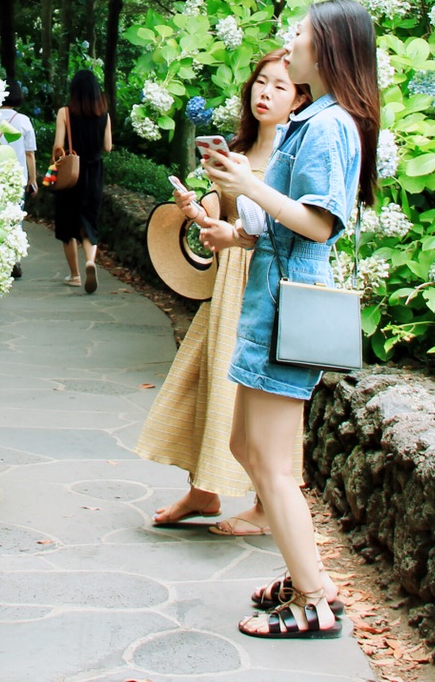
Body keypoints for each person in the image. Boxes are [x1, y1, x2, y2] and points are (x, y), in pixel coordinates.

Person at [178, 0, 378, 640]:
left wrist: (248, 181)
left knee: (270, 465)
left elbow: (319, 224)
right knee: (246, 448)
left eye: (300, 33)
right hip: (270, 303)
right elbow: (278, 230)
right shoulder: (313, 121)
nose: (288, 42)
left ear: (328, 50)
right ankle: (304, 575)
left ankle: (315, 598)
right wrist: (229, 232)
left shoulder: (329, 127)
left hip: (289, 310)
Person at [137, 50, 305, 537]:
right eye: (260, 83)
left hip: (267, 277)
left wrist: (235, 225)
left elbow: (284, 224)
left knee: (260, 389)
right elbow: (223, 220)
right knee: (208, 376)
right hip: (230, 278)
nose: (265, 93)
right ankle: (203, 488)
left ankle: (265, 502)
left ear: (298, 99)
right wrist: (193, 209)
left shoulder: (294, 154)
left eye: (279, 86)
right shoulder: (237, 152)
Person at [53, 69, 112, 293]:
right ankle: (90, 260)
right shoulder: (104, 114)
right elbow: (107, 147)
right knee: (89, 221)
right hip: (94, 172)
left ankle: (75, 275)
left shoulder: (64, 113)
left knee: (68, 224)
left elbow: (58, 145)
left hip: (71, 173)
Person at [0, 89, 37, 278]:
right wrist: (32, 179)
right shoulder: (23, 120)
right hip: (16, 177)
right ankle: (13, 260)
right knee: (15, 218)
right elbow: (30, 153)